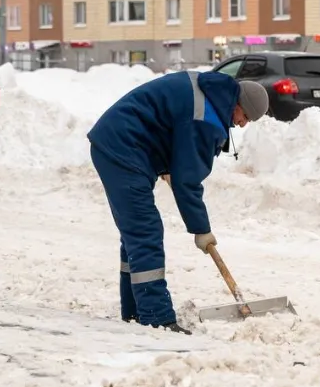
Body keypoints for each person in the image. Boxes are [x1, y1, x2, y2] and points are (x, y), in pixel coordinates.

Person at [87, 70, 269, 334]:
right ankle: (156, 317)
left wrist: (168, 164)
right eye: (246, 118)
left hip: (125, 144)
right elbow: (188, 182)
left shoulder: (211, 94)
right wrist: (201, 229)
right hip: (123, 148)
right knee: (145, 230)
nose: (242, 124)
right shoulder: (206, 118)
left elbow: (171, 124)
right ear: (238, 106)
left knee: (136, 233)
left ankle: (135, 311)